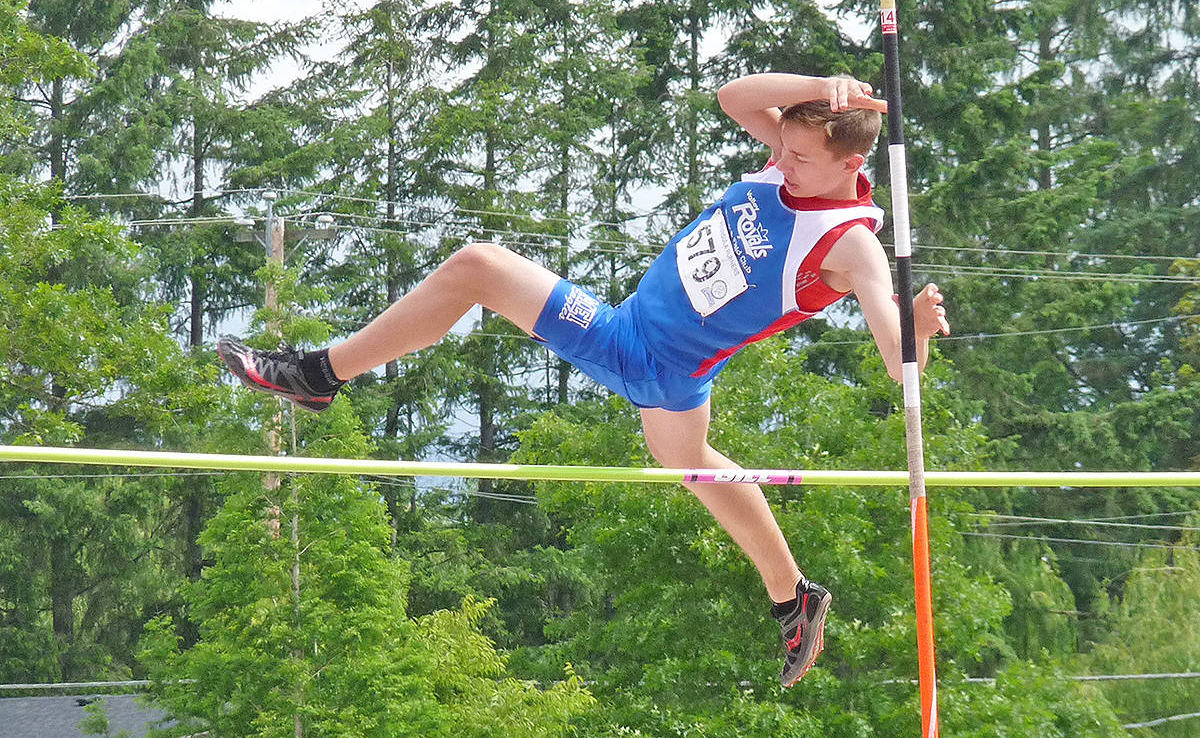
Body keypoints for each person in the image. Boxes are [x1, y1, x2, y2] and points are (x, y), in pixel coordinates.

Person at [218, 72, 950, 687]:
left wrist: (912, 329)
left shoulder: (852, 246)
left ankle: (316, 375)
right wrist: (818, 88)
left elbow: (895, 356)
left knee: (479, 266)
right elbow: (733, 95)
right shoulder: (787, 159)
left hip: (650, 360)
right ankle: (794, 596)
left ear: (850, 166)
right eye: (782, 146)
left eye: (800, 157)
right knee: (690, 462)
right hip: (644, 336)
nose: (783, 161)